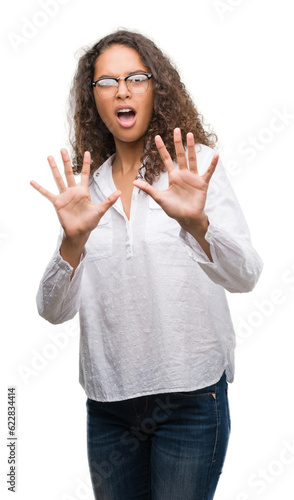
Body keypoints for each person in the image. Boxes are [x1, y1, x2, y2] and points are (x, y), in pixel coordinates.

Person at [31, 29, 263, 500]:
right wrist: (72, 242)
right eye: (107, 81)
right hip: (110, 405)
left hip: (191, 398)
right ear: (92, 98)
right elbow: (52, 311)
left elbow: (246, 276)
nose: (122, 89)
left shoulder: (195, 169)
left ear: (157, 86)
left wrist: (198, 224)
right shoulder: (87, 189)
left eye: (136, 77)